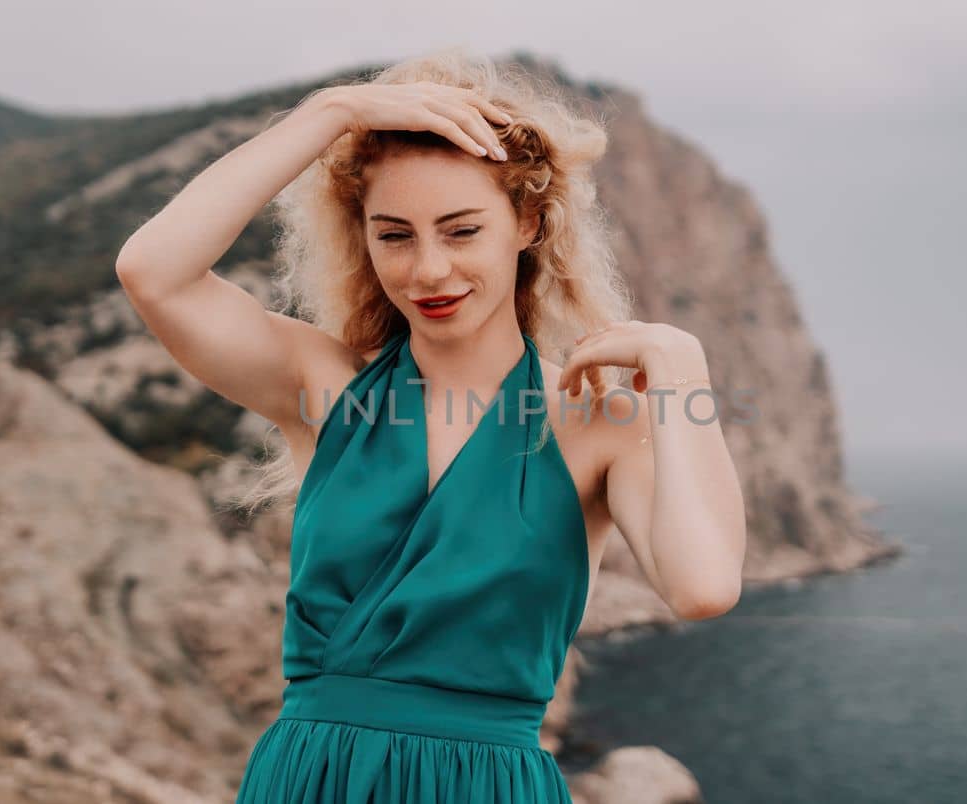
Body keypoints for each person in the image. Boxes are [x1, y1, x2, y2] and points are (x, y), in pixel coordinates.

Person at [115, 47, 747, 804]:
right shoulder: (327, 388)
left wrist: (680, 373)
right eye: (395, 235)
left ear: (528, 223)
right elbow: (153, 272)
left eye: (460, 230)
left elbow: (702, 587)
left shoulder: (599, 424)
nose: (428, 271)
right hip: (310, 781)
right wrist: (333, 113)